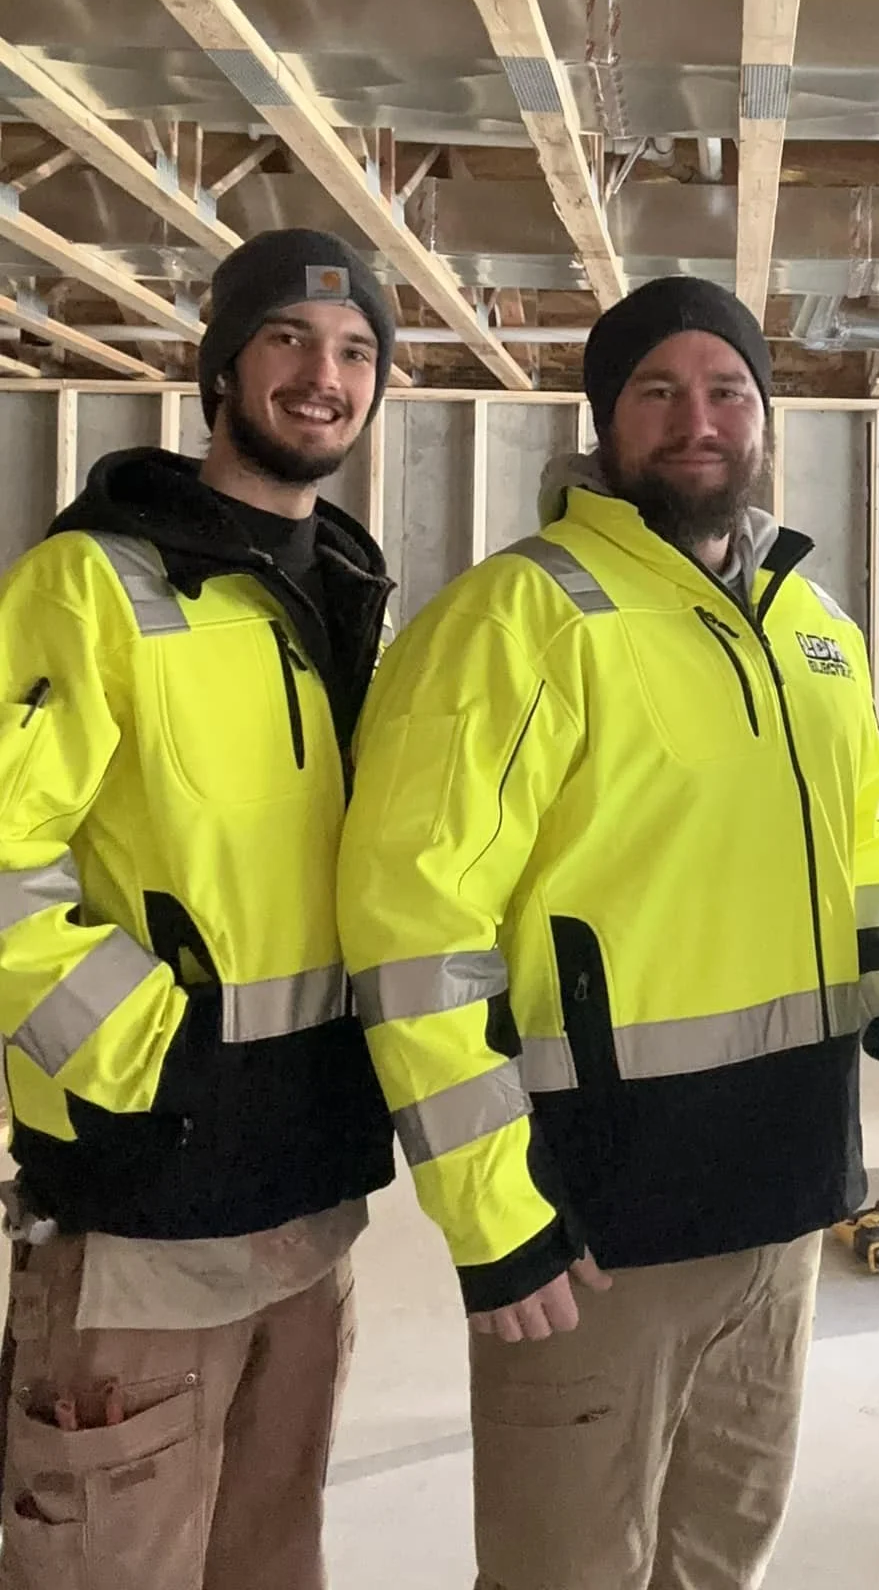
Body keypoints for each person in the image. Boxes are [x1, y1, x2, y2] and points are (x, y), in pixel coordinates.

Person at [339, 275, 879, 1590]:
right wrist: (494, 1216)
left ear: (767, 418)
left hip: (784, 1207)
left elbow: (868, 874)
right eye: (658, 391)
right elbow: (412, 934)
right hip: (594, 1228)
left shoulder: (815, 634)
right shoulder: (517, 620)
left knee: (722, 1557)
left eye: (728, 390)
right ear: (603, 423)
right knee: (568, 1573)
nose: (699, 418)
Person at [0, 228, 398, 1590]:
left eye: (356, 352)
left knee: (272, 1565)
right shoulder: (97, 583)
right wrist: (141, 1053)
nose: (322, 374)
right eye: (286, 337)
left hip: (310, 1209)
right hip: (144, 1218)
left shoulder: (344, 595)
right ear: (219, 367)